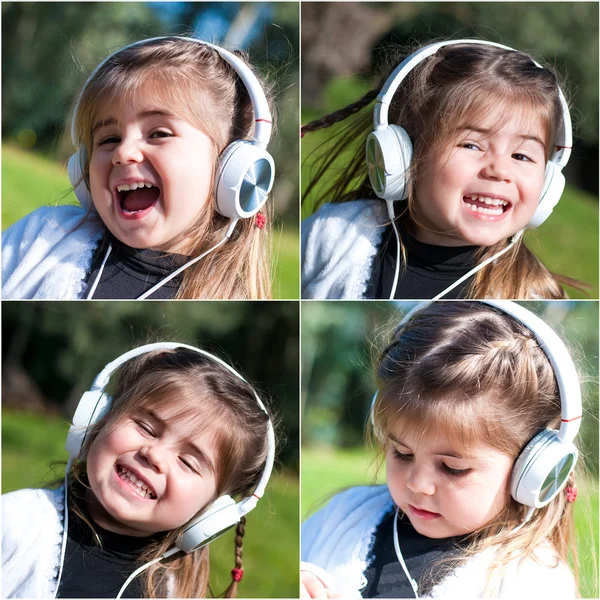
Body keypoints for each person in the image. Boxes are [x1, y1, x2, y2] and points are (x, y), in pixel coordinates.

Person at [301, 301, 581, 599]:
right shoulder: (341, 517)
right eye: (402, 453)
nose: (417, 483)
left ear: (531, 470)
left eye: (452, 468)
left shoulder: (534, 581)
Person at [301, 39, 585, 300]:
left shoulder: (532, 294)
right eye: (472, 146)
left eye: (521, 155)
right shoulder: (334, 235)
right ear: (403, 156)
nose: (500, 170)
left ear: (548, 181)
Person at [2, 36, 275, 299]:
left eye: (158, 134)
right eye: (109, 139)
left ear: (233, 168)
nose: (123, 152)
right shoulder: (41, 237)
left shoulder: (224, 294)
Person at [2, 344, 275, 598]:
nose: (154, 455)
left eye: (188, 463)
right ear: (99, 418)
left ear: (212, 511)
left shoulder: (175, 590)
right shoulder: (16, 523)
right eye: (145, 428)